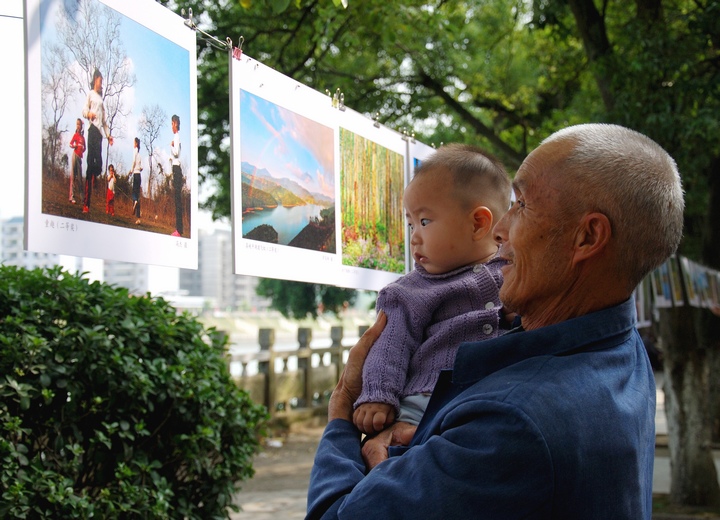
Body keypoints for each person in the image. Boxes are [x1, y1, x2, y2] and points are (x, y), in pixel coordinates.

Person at [307, 123, 685, 519]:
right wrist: (435, 422)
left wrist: (340, 421)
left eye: (521, 205)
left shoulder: (512, 425)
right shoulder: (622, 349)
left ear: (587, 237)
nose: (499, 230)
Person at [353, 144, 513, 434]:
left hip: (499, 397)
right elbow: (390, 347)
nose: (414, 237)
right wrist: (378, 395)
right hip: (425, 402)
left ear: (478, 223)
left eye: (424, 221)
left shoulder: (514, 272)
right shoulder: (407, 292)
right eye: (411, 223)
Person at [82, 68, 113, 214]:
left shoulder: (101, 100)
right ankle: (86, 204)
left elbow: (105, 122)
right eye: (100, 81)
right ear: (96, 80)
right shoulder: (90, 94)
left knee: (99, 166)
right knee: (90, 164)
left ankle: (94, 174)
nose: (102, 84)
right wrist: (88, 114)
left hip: (99, 134)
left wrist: (109, 136)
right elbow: (84, 110)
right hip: (91, 131)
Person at [170, 114, 183, 237]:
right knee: (177, 199)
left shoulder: (176, 136)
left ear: (175, 123)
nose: (171, 126)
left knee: (177, 200)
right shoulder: (176, 137)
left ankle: (178, 230)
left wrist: (172, 146)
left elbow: (176, 153)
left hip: (177, 168)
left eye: (172, 124)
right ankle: (179, 229)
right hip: (176, 167)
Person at [68, 118, 85, 205]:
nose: (78, 126)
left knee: (80, 179)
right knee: (73, 177)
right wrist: (74, 146)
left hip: (79, 158)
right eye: (77, 124)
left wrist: (81, 150)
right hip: (75, 156)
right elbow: (70, 144)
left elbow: (84, 148)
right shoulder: (75, 135)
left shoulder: (83, 138)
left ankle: (82, 199)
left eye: (79, 125)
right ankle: (72, 197)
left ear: (82, 126)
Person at [128, 137, 143, 225]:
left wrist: (131, 170)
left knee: (134, 195)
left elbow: (133, 161)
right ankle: (138, 219)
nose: (133, 144)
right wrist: (139, 168)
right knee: (138, 197)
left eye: (134, 142)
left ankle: (135, 201)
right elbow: (141, 167)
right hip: (139, 176)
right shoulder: (140, 155)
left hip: (135, 174)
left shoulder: (135, 151)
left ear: (136, 143)